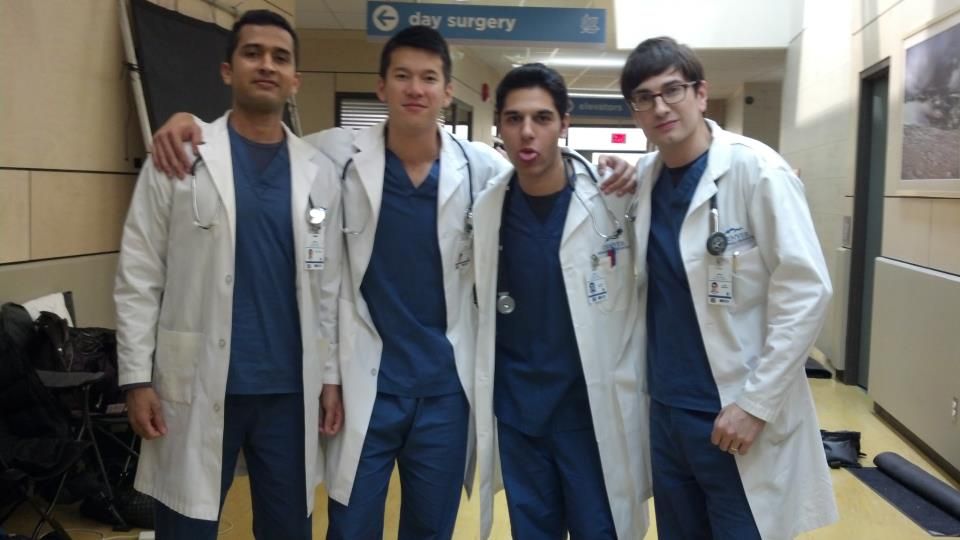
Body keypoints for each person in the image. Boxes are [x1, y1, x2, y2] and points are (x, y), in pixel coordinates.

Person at [148, 26, 636, 539]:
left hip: (446, 391)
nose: (415, 89)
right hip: (368, 384)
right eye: (402, 76)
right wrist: (193, 125)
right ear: (381, 87)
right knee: (352, 526)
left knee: (430, 528)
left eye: (429, 78)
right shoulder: (336, 155)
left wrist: (612, 168)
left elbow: (545, 171)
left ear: (446, 92)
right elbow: (261, 138)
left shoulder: (480, 169)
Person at [114, 11, 343, 539]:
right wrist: (136, 378)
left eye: (280, 57)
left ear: (295, 80)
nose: (266, 65)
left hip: (288, 391)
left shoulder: (319, 172)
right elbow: (139, 273)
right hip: (194, 382)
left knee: (288, 529)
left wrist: (330, 376)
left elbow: (327, 285)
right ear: (227, 70)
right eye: (252, 53)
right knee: (186, 528)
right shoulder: (180, 155)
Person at [620, 36, 838, 539]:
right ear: (635, 112)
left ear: (700, 94)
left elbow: (807, 291)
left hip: (736, 414)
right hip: (666, 413)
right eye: (644, 98)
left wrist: (756, 404)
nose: (660, 107)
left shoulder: (757, 170)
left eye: (672, 90)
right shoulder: (644, 180)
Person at [472, 63, 651, 540]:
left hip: (589, 413)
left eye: (542, 118)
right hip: (519, 414)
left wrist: (635, 171)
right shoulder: (487, 209)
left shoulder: (612, 201)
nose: (527, 132)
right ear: (499, 125)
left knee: (600, 530)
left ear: (564, 123)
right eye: (514, 119)